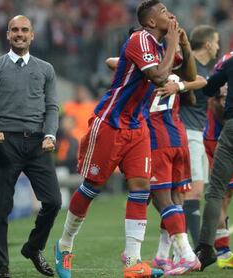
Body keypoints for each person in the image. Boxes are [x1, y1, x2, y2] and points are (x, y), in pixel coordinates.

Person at [53, 1, 197, 277]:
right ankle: (65, 245)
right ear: (151, 22)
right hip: (110, 123)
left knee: (141, 187)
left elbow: (187, 76)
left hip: (137, 125)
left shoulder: (160, 46)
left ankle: (133, 262)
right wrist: (171, 45)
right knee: (92, 187)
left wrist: (185, 45)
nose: (170, 15)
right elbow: (158, 76)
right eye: (164, 12)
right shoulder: (139, 39)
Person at [0, 15, 62, 278]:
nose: (20, 34)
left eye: (24, 30)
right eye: (15, 30)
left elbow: (52, 107)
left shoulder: (46, 69)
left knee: (54, 202)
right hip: (5, 142)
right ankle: (2, 268)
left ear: (32, 35)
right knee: (0, 208)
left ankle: (33, 248)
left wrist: (50, 135)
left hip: (38, 143)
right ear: (8, 35)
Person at [106, 55, 205, 275]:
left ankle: (181, 255)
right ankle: (163, 255)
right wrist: (180, 84)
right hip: (179, 137)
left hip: (155, 141)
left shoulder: (144, 74)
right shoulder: (173, 74)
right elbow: (201, 80)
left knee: (160, 199)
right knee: (171, 198)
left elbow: (111, 62)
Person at [179, 25, 220, 247]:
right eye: (216, 42)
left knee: (196, 190)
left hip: (199, 133)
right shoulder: (187, 64)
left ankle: (190, 251)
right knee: (191, 192)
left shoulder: (206, 69)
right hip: (187, 132)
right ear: (206, 44)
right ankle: (190, 251)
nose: (218, 46)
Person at [196, 52, 233, 270]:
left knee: (218, 192)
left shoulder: (230, 61)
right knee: (223, 193)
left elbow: (209, 89)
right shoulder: (229, 58)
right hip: (217, 133)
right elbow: (214, 98)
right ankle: (222, 249)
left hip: (230, 130)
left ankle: (207, 249)